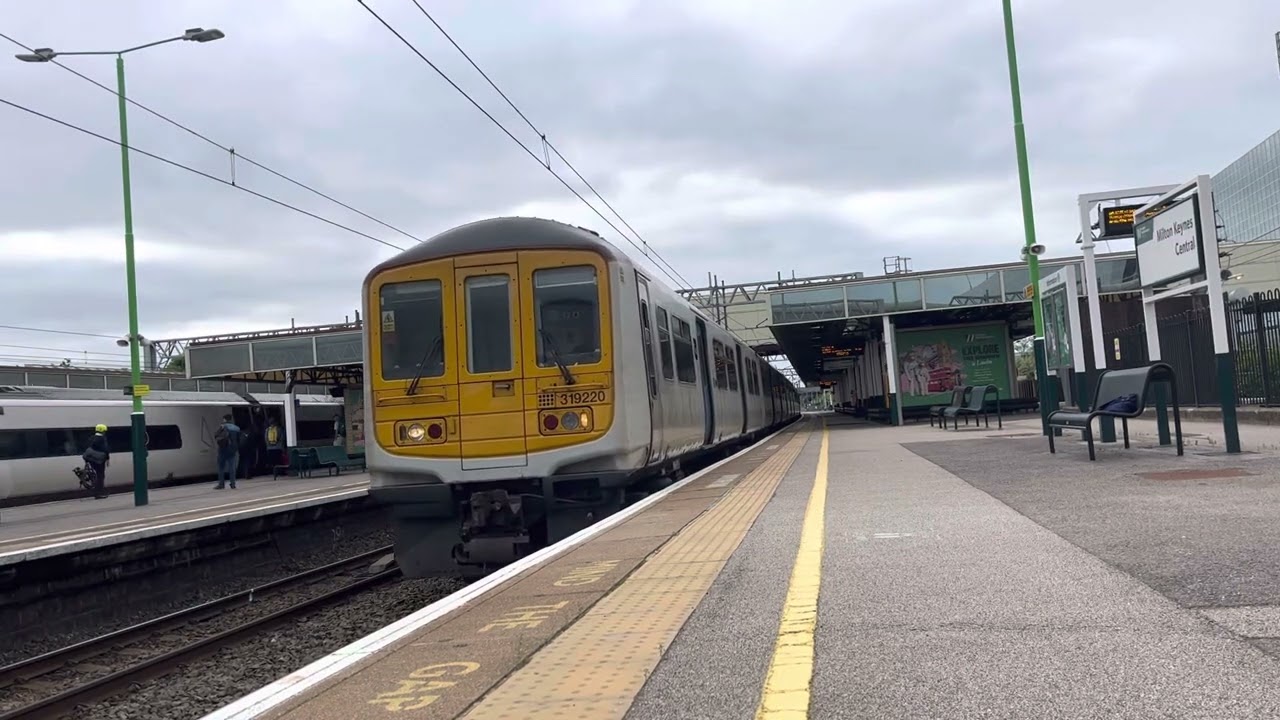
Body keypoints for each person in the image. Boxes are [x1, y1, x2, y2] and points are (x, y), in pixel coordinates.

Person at [82, 424, 110, 500]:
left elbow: (87, 449)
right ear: (102, 431)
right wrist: (107, 458)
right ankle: (99, 493)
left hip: (91, 460)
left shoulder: (91, 438)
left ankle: (97, 491)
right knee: (100, 476)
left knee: (96, 475)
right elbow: (105, 450)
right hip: (99, 461)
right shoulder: (101, 439)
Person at [214, 414, 241, 490]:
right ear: (231, 419)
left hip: (223, 449)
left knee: (221, 467)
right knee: (232, 468)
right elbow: (239, 440)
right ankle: (233, 484)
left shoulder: (223, 427)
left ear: (224, 419)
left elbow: (216, 435)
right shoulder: (237, 428)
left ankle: (221, 484)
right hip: (232, 450)